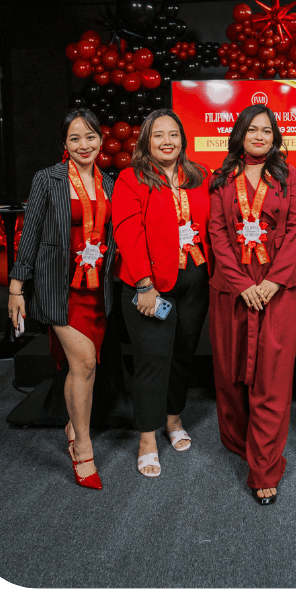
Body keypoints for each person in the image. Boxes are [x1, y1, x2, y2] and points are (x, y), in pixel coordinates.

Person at [8, 109, 116, 490]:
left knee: (83, 368)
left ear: (101, 140)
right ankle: (82, 448)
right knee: (83, 361)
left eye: (90, 137)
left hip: (95, 289)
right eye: (75, 138)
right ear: (64, 144)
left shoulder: (109, 183)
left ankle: (74, 423)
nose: (84, 145)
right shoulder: (48, 179)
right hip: (58, 287)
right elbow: (30, 235)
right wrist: (16, 288)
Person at [208, 105, 296, 505]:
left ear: (275, 136)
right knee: (230, 373)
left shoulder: (289, 176)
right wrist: (241, 284)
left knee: (272, 378)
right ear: (240, 134)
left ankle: (264, 467)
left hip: (276, 288)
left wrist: (272, 281)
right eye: (252, 129)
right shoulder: (221, 178)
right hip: (231, 287)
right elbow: (216, 232)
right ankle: (238, 442)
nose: (260, 136)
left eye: (267, 130)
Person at [112, 109, 212, 478]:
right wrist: (144, 284)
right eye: (158, 135)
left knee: (183, 354)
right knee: (153, 360)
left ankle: (173, 419)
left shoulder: (200, 175)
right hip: (151, 286)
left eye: (173, 134)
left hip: (194, 280)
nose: (167, 141)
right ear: (146, 141)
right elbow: (128, 232)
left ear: (183, 139)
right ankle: (147, 437)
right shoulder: (131, 178)